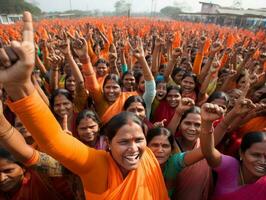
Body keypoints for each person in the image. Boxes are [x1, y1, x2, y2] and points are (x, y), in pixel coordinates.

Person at [0, 11, 169, 200]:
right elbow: (54, 140)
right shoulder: (97, 166)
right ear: (107, 144)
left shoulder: (149, 158)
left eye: (138, 140)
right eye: (123, 142)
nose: (133, 148)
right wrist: (20, 87)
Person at [200, 103, 266, 200]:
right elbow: (208, 152)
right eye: (256, 155)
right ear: (241, 153)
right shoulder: (231, 166)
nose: (263, 161)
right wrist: (206, 123)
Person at [147, 127, 204, 198]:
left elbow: (204, 150)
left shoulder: (172, 164)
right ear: (146, 147)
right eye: (155, 145)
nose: (160, 150)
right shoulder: (137, 166)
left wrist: (220, 125)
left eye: (165, 146)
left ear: (171, 150)